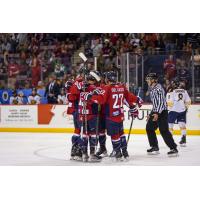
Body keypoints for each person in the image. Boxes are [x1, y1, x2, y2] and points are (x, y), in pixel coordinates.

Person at [84, 71, 140, 161]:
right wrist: (136, 101)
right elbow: (128, 97)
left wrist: (91, 97)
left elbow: (101, 100)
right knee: (121, 134)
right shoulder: (121, 87)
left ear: (107, 79)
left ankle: (118, 153)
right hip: (120, 115)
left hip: (111, 116)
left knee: (114, 135)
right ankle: (125, 152)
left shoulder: (107, 88)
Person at [145, 73, 178, 156]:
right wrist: (151, 113)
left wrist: (156, 113)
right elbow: (156, 103)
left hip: (162, 112)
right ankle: (154, 147)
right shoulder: (152, 88)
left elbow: (160, 102)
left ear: (153, 80)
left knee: (164, 130)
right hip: (156, 111)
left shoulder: (158, 89)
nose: (147, 81)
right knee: (149, 128)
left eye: (149, 79)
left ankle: (173, 148)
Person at [166, 79, 191, 146]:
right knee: (182, 125)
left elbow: (169, 102)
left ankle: (170, 141)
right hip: (182, 110)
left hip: (173, 110)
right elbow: (188, 101)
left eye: (172, 83)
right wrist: (185, 108)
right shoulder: (184, 91)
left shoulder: (171, 91)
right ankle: (183, 140)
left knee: (170, 125)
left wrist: (169, 108)